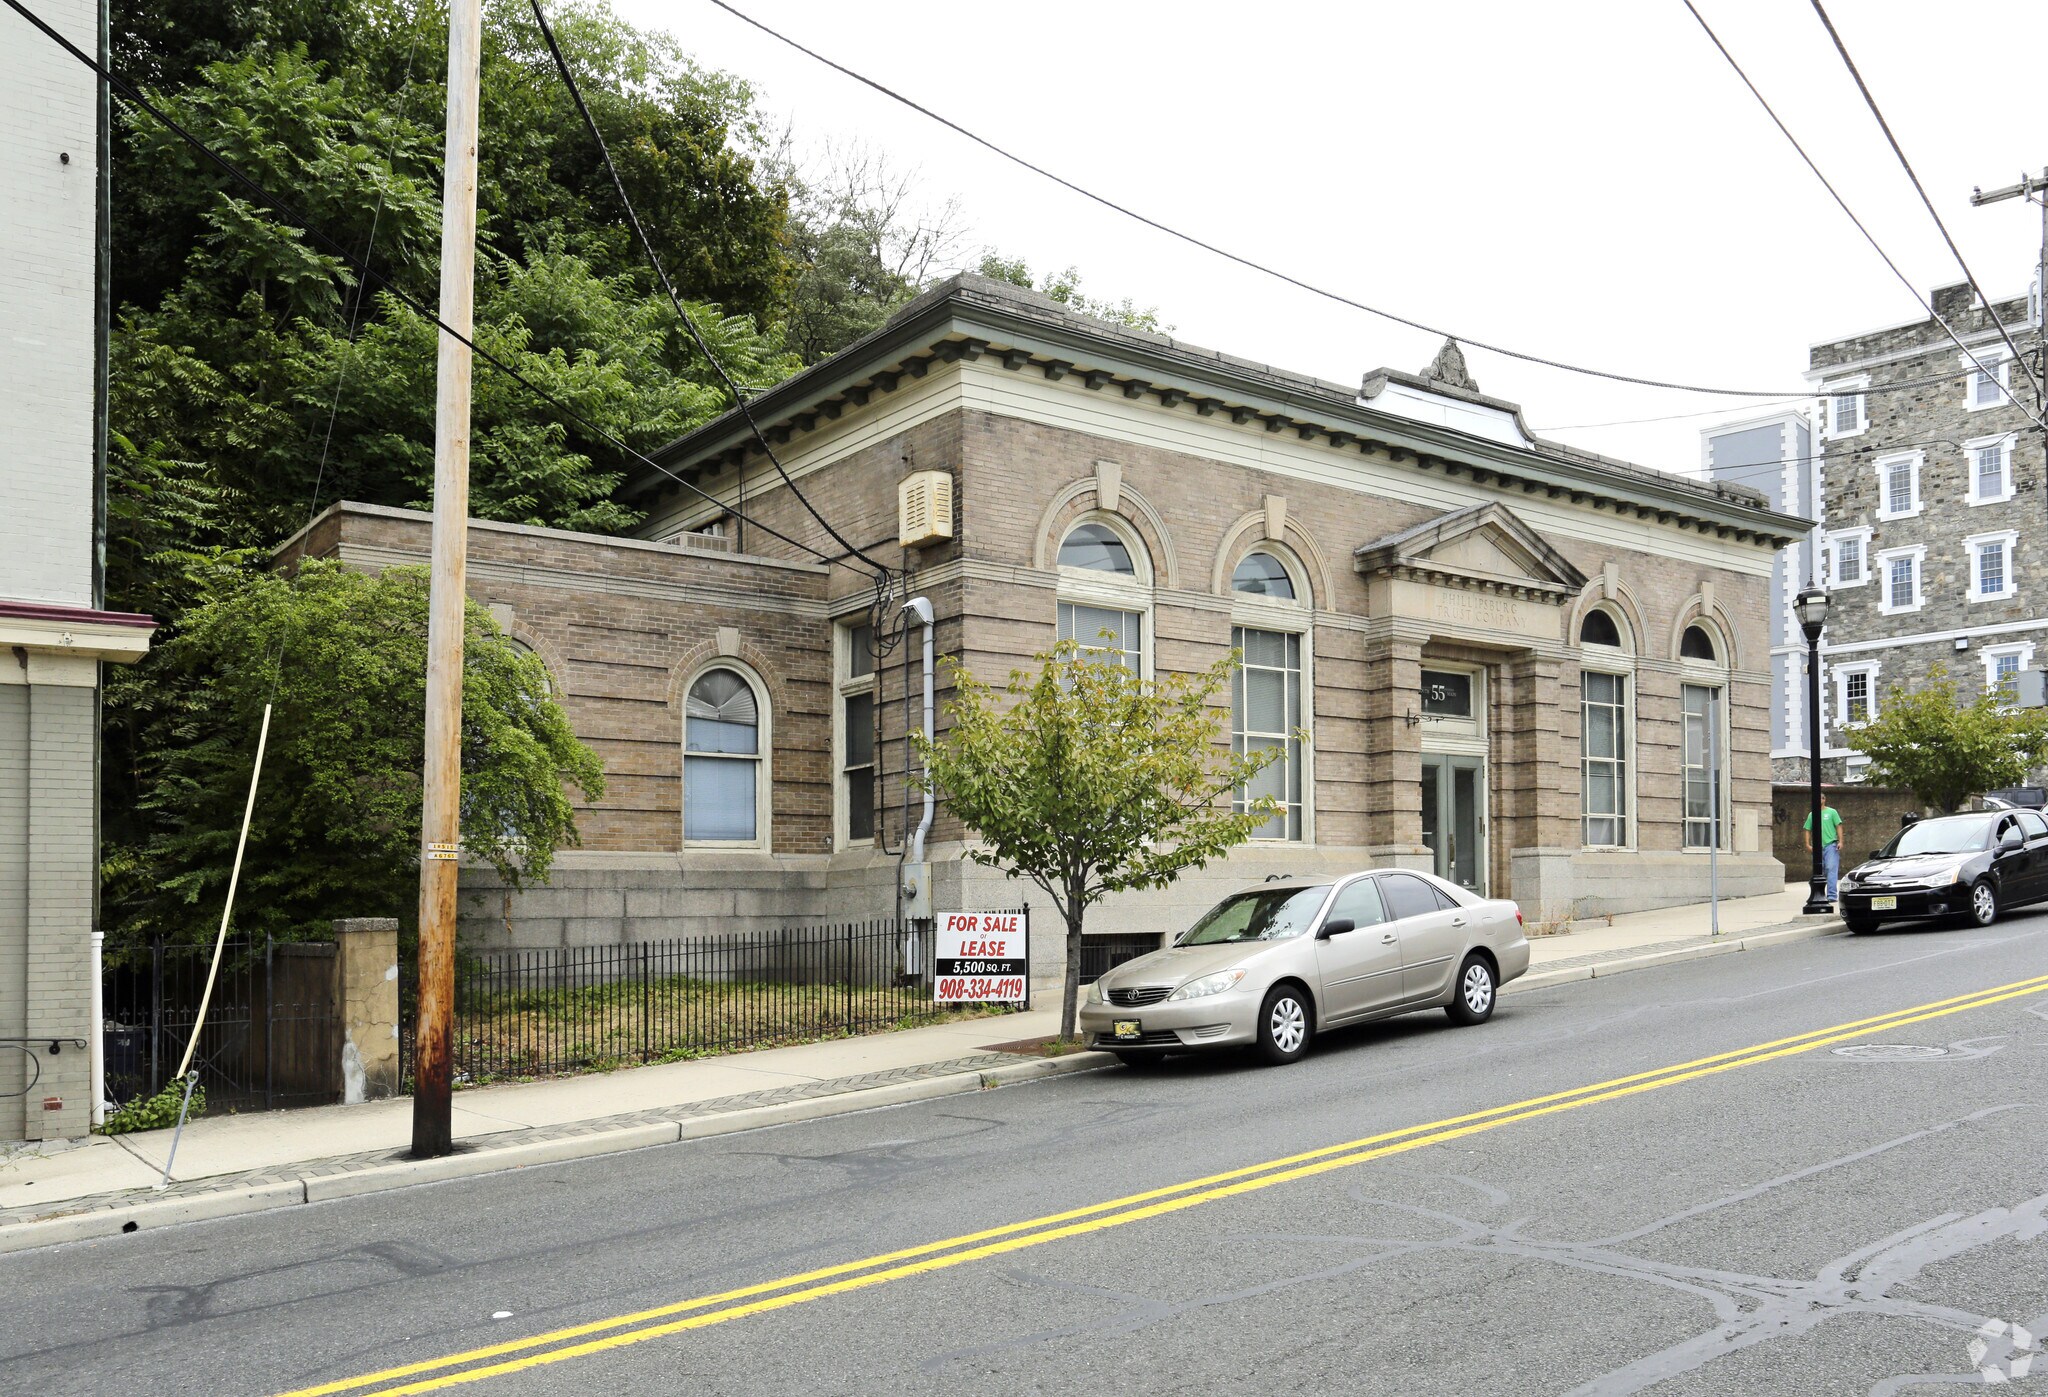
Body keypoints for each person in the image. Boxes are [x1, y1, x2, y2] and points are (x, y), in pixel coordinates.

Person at [1804, 793, 1844, 901]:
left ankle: (1831, 895)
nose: (1819, 800)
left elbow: (1838, 826)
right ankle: (1819, 893)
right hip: (1817, 847)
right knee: (1818, 871)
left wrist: (1840, 841)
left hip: (1830, 845)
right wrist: (1807, 844)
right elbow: (1807, 829)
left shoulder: (1832, 812)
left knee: (1830, 868)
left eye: (1821, 798)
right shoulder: (1812, 814)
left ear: (1825, 799)